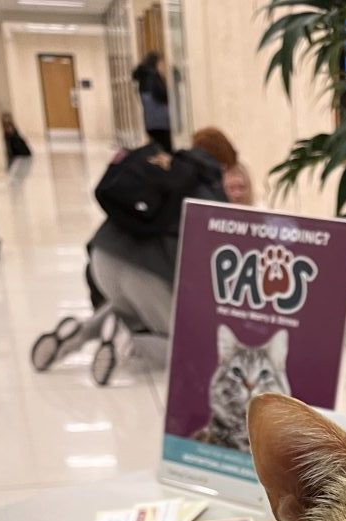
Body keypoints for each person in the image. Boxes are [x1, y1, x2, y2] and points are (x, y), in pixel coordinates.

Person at [30, 128, 238, 383]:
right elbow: (217, 264)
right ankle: (125, 343)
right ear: (225, 164)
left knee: (128, 307)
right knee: (192, 347)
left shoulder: (166, 167)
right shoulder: (209, 190)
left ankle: (75, 335)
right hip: (146, 274)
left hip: (102, 259)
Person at [132, 51, 171, 152]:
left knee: (158, 150)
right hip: (161, 122)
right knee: (166, 151)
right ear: (156, 62)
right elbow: (162, 96)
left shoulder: (143, 77)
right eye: (162, 62)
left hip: (151, 121)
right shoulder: (153, 77)